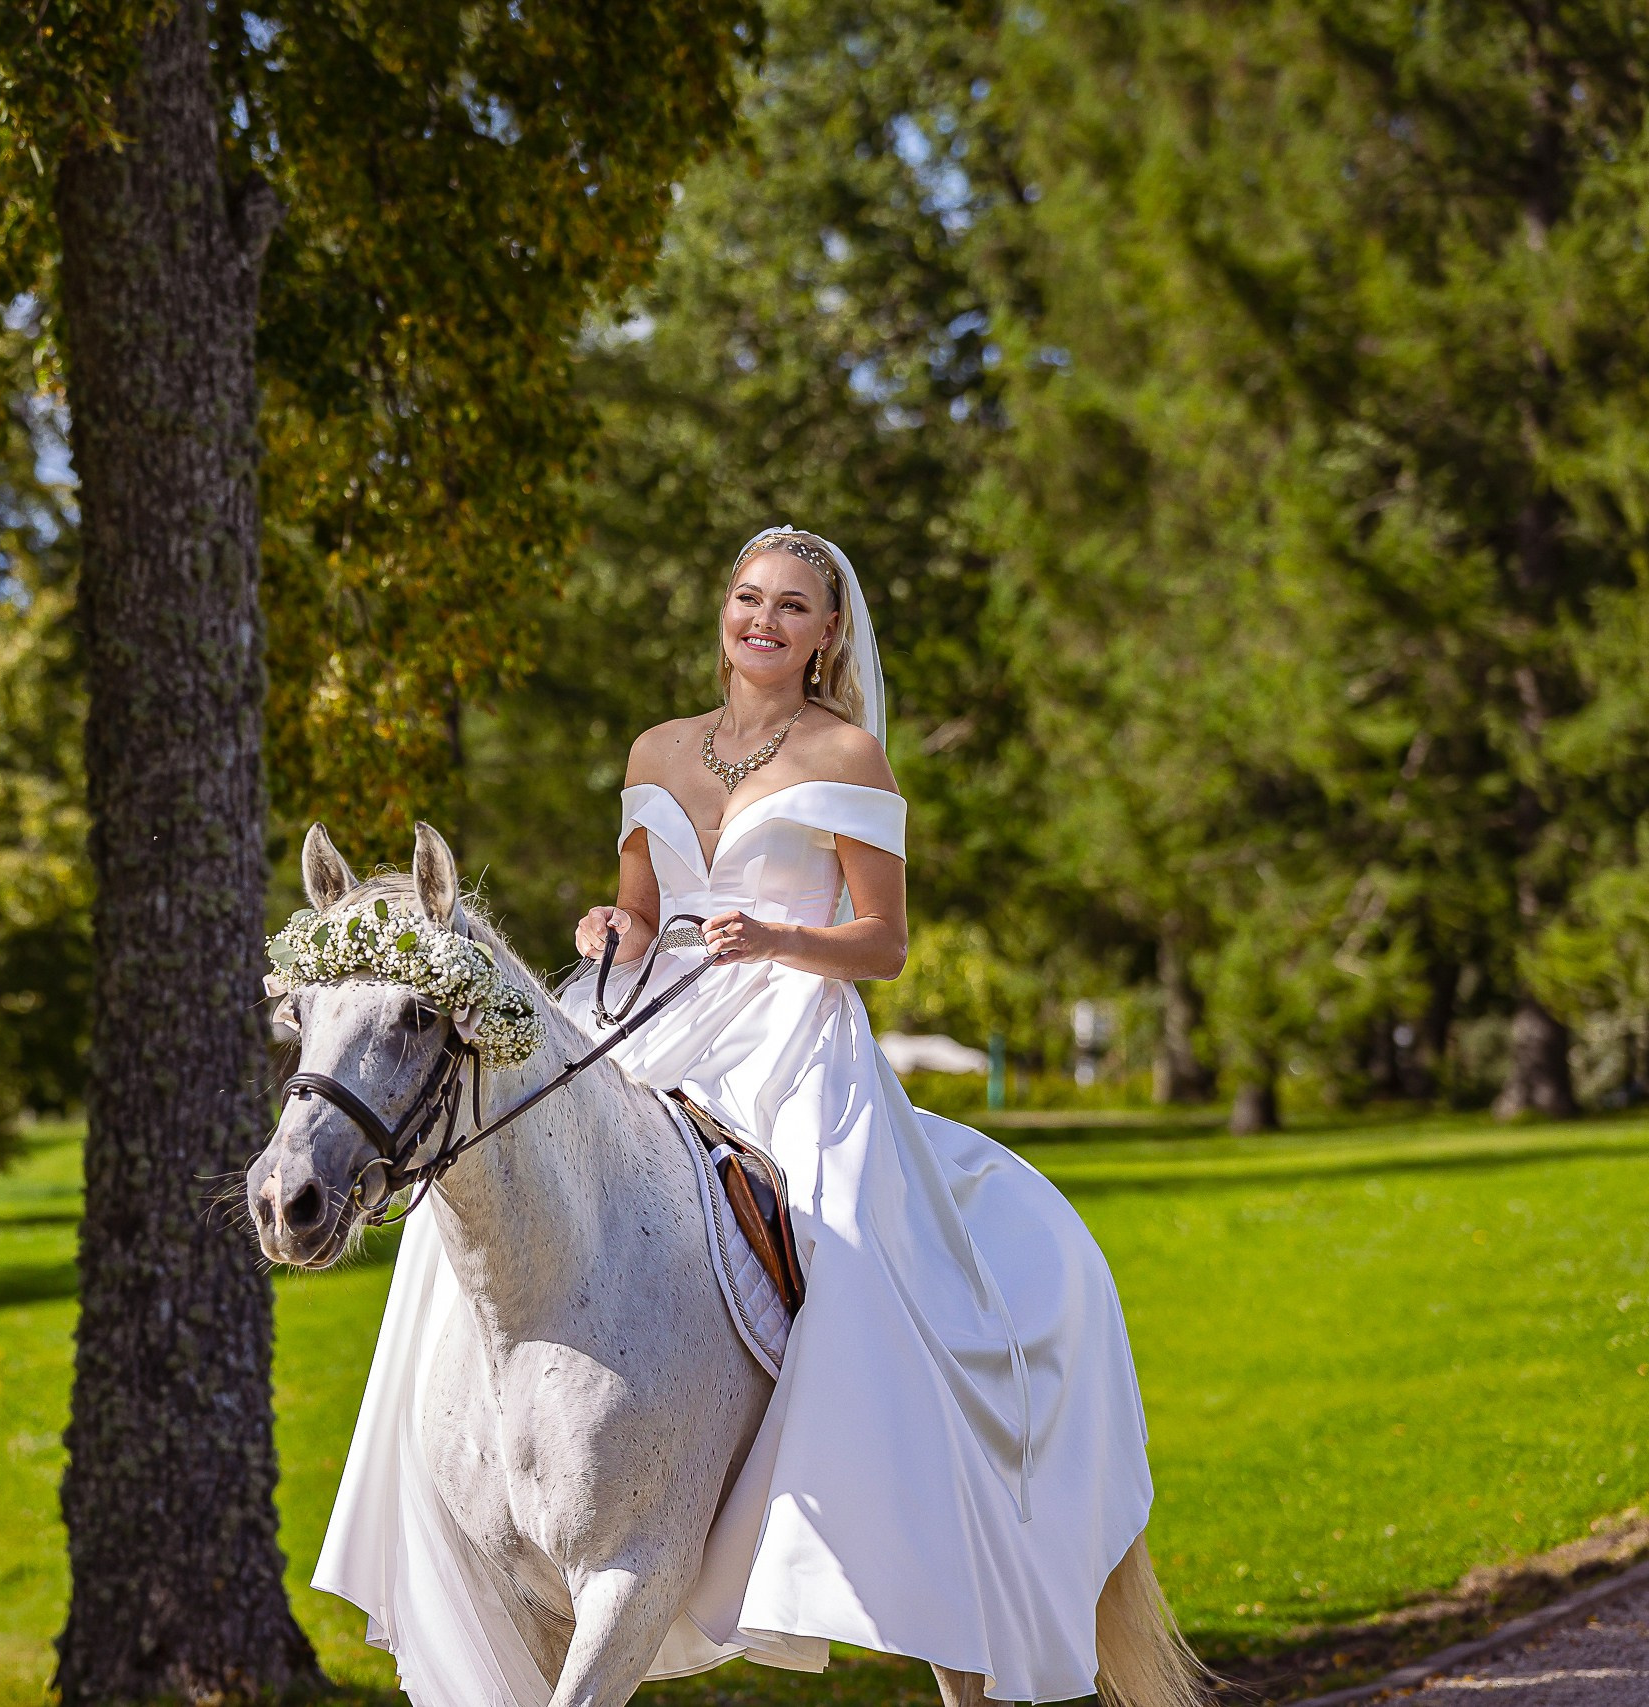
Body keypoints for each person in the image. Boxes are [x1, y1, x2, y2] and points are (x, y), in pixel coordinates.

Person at [315, 528, 1158, 1707]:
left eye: (792, 606)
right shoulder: (656, 748)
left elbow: (887, 945)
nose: (762, 619)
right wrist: (604, 933)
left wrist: (778, 938)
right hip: (651, 1013)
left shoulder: (849, 757)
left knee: (852, 1251)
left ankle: (902, 1494)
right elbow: (636, 907)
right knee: (474, 1185)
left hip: (787, 1024)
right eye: (748, 598)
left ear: (826, 636)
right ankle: (448, 1482)